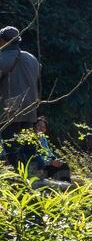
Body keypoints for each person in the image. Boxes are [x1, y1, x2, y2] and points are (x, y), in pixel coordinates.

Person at [1, 25, 42, 170]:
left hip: (10, 110)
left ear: (3, 41)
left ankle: (18, 177)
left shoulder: (2, 57)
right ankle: (38, 172)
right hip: (30, 109)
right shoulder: (32, 58)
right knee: (28, 144)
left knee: (10, 145)